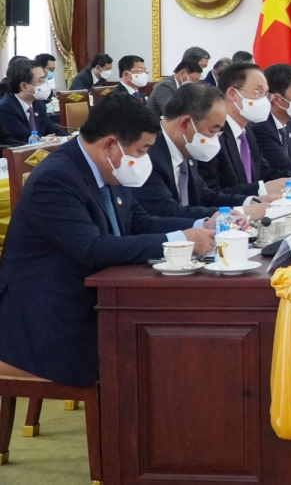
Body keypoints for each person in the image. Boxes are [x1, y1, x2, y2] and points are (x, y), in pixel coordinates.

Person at [0, 94, 213, 387]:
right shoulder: (56, 179)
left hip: (97, 299)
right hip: (50, 320)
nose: (144, 161)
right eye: (141, 151)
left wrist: (199, 226)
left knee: (176, 336)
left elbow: (139, 223)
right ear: (111, 144)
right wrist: (179, 241)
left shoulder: (108, 168)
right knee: (154, 354)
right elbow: (92, 249)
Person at [136, 82, 270, 220]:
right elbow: (167, 212)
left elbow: (203, 196)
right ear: (185, 124)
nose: (215, 140)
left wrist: (249, 202)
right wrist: (235, 214)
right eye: (212, 131)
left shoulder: (187, 147)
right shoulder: (147, 155)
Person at [193, 62, 291, 198]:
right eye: (258, 92)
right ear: (232, 94)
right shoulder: (211, 134)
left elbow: (264, 173)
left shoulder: (247, 131)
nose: (265, 101)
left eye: (266, 94)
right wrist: (259, 190)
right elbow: (210, 194)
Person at [0, 58, 68, 143]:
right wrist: (44, 140)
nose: (45, 84)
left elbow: (53, 131)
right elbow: (22, 139)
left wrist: (73, 138)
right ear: (24, 86)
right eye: (41, 80)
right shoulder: (6, 108)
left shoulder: (38, 104)